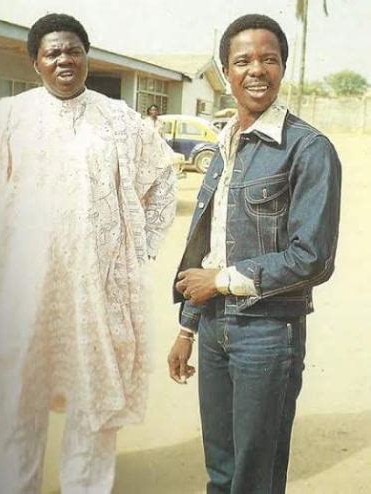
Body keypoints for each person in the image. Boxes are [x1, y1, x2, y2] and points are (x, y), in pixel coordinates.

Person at [0, 13, 176, 494]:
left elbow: (163, 176)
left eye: (73, 50)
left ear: (87, 56)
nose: (64, 59)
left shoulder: (120, 120)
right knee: (20, 401)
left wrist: (141, 246)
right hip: (26, 291)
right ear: (36, 62)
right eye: (52, 52)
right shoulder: (8, 118)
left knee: (93, 403)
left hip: (97, 291)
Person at [168, 14, 341, 494]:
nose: (256, 70)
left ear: (283, 67)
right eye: (243, 60)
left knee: (254, 477)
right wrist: (188, 327)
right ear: (227, 71)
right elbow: (207, 247)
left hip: (267, 333)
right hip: (214, 328)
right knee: (220, 469)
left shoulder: (308, 148)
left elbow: (314, 258)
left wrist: (220, 282)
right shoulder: (224, 145)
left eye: (269, 59)